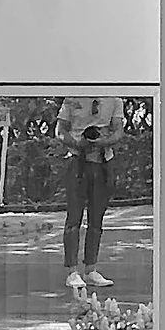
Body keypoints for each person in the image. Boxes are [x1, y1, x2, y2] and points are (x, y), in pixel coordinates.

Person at [59, 97, 116, 295]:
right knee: (74, 218)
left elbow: (118, 131)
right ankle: (72, 271)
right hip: (76, 161)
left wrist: (102, 141)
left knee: (97, 218)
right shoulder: (73, 96)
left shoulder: (114, 98)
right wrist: (77, 143)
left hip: (102, 161)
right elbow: (60, 130)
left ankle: (91, 269)